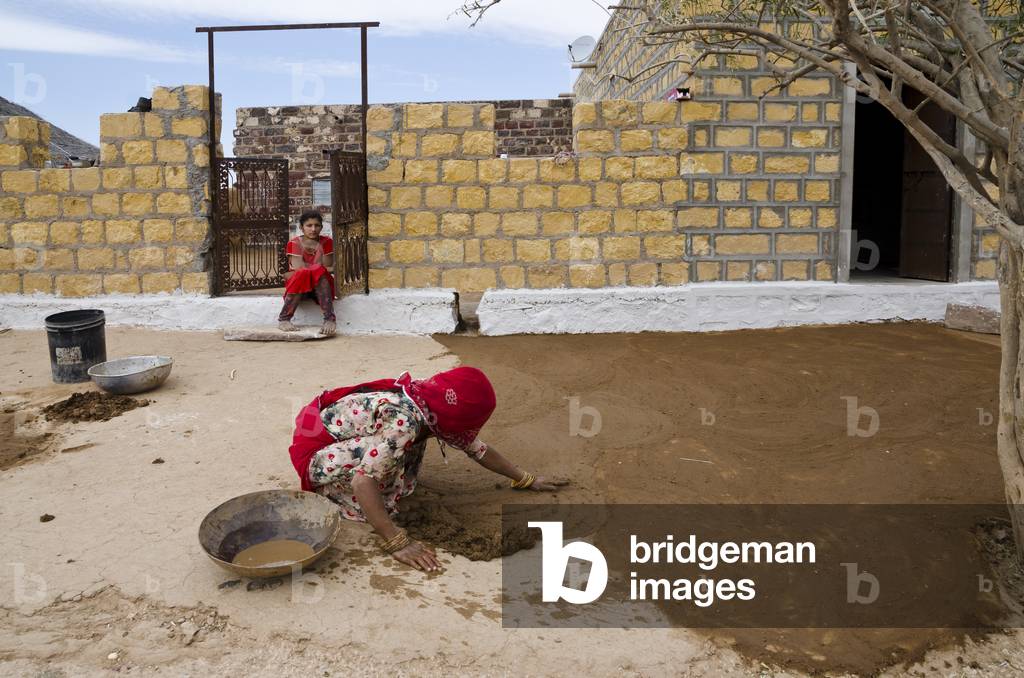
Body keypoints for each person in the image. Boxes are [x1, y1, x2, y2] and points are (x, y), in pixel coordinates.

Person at [288, 366, 567, 572]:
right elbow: (363, 482)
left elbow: (477, 449)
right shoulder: (405, 421)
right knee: (385, 462)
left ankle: (379, 485)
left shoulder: (431, 401)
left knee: (397, 448)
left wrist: (525, 479)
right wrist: (396, 540)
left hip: (356, 437)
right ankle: (336, 494)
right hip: (317, 453)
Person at [279, 210, 336, 336]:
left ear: (321, 227)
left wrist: (318, 253)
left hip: (321, 288)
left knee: (318, 271)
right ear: (301, 227)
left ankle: (329, 319)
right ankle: (284, 318)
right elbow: (299, 268)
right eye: (309, 225)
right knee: (303, 273)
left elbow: (327, 267)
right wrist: (316, 264)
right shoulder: (294, 243)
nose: (313, 229)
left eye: (317, 225)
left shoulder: (327, 242)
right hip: (300, 288)